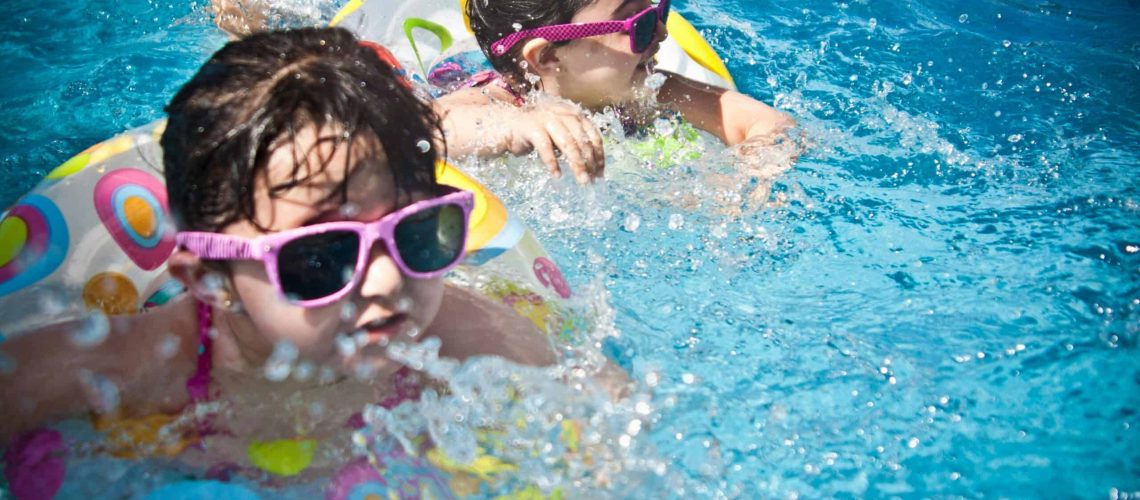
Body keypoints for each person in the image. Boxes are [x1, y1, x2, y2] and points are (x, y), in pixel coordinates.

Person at [0, 26, 556, 460]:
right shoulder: (119, 372)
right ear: (209, 279)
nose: (388, 281)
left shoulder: (474, 344)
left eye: (415, 233)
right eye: (323, 256)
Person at [439, 0, 796, 177]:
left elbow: (767, 122)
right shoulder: (499, 102)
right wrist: (516, 126)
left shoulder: (646, 91)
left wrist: (750, 177)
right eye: (638, 25)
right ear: (547, 56)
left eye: (659, 12)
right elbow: (423, 129)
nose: (661, 35)